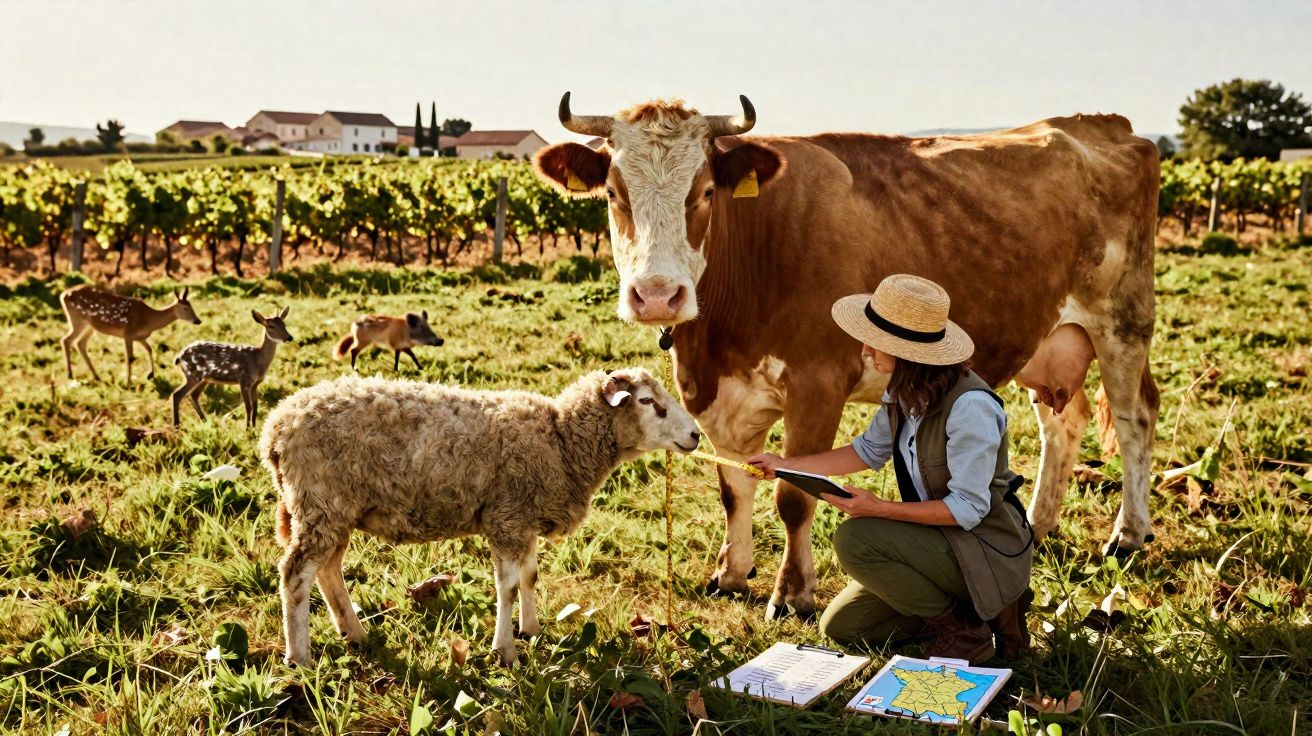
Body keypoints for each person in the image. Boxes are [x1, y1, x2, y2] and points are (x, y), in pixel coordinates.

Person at [748, 274, 1033, 664]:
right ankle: (971, 609)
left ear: (908, 351)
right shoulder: (904, 390)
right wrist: (784, 466)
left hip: (984, 550)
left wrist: (878, 508)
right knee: (843, 626)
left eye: (876, 341)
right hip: (938, 541)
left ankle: (965, 630)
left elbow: (967, 510)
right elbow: (866, 451)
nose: (865, 350)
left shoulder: (970, 407)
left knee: (855, 540)